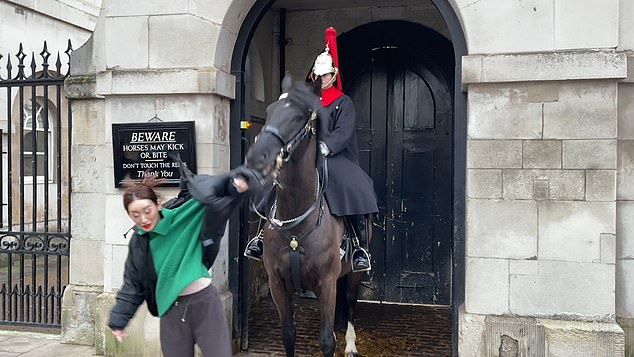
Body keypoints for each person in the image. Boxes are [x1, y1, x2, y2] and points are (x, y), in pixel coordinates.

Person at [244, 27, 379, 273]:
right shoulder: (307, 103)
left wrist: (327, 146)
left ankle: (359, 246)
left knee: (352, 184)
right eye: (318, 75)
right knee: (275, 181)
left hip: (334, 155)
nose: (322, 79)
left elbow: (344, 132)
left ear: (333, 75)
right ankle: (262, 236)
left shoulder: (343, 102)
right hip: (305, 155)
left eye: (326, 75)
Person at [108, 161, 257, 357]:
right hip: (171, 311)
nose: (143, 219)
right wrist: (119, 319)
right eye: (135, 214)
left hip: (205, 303)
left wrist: (237, 186)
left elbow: (216, 195)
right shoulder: (139, 243)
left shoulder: (184, 213)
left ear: (158, 204)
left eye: (147, 211)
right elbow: (133, 284)